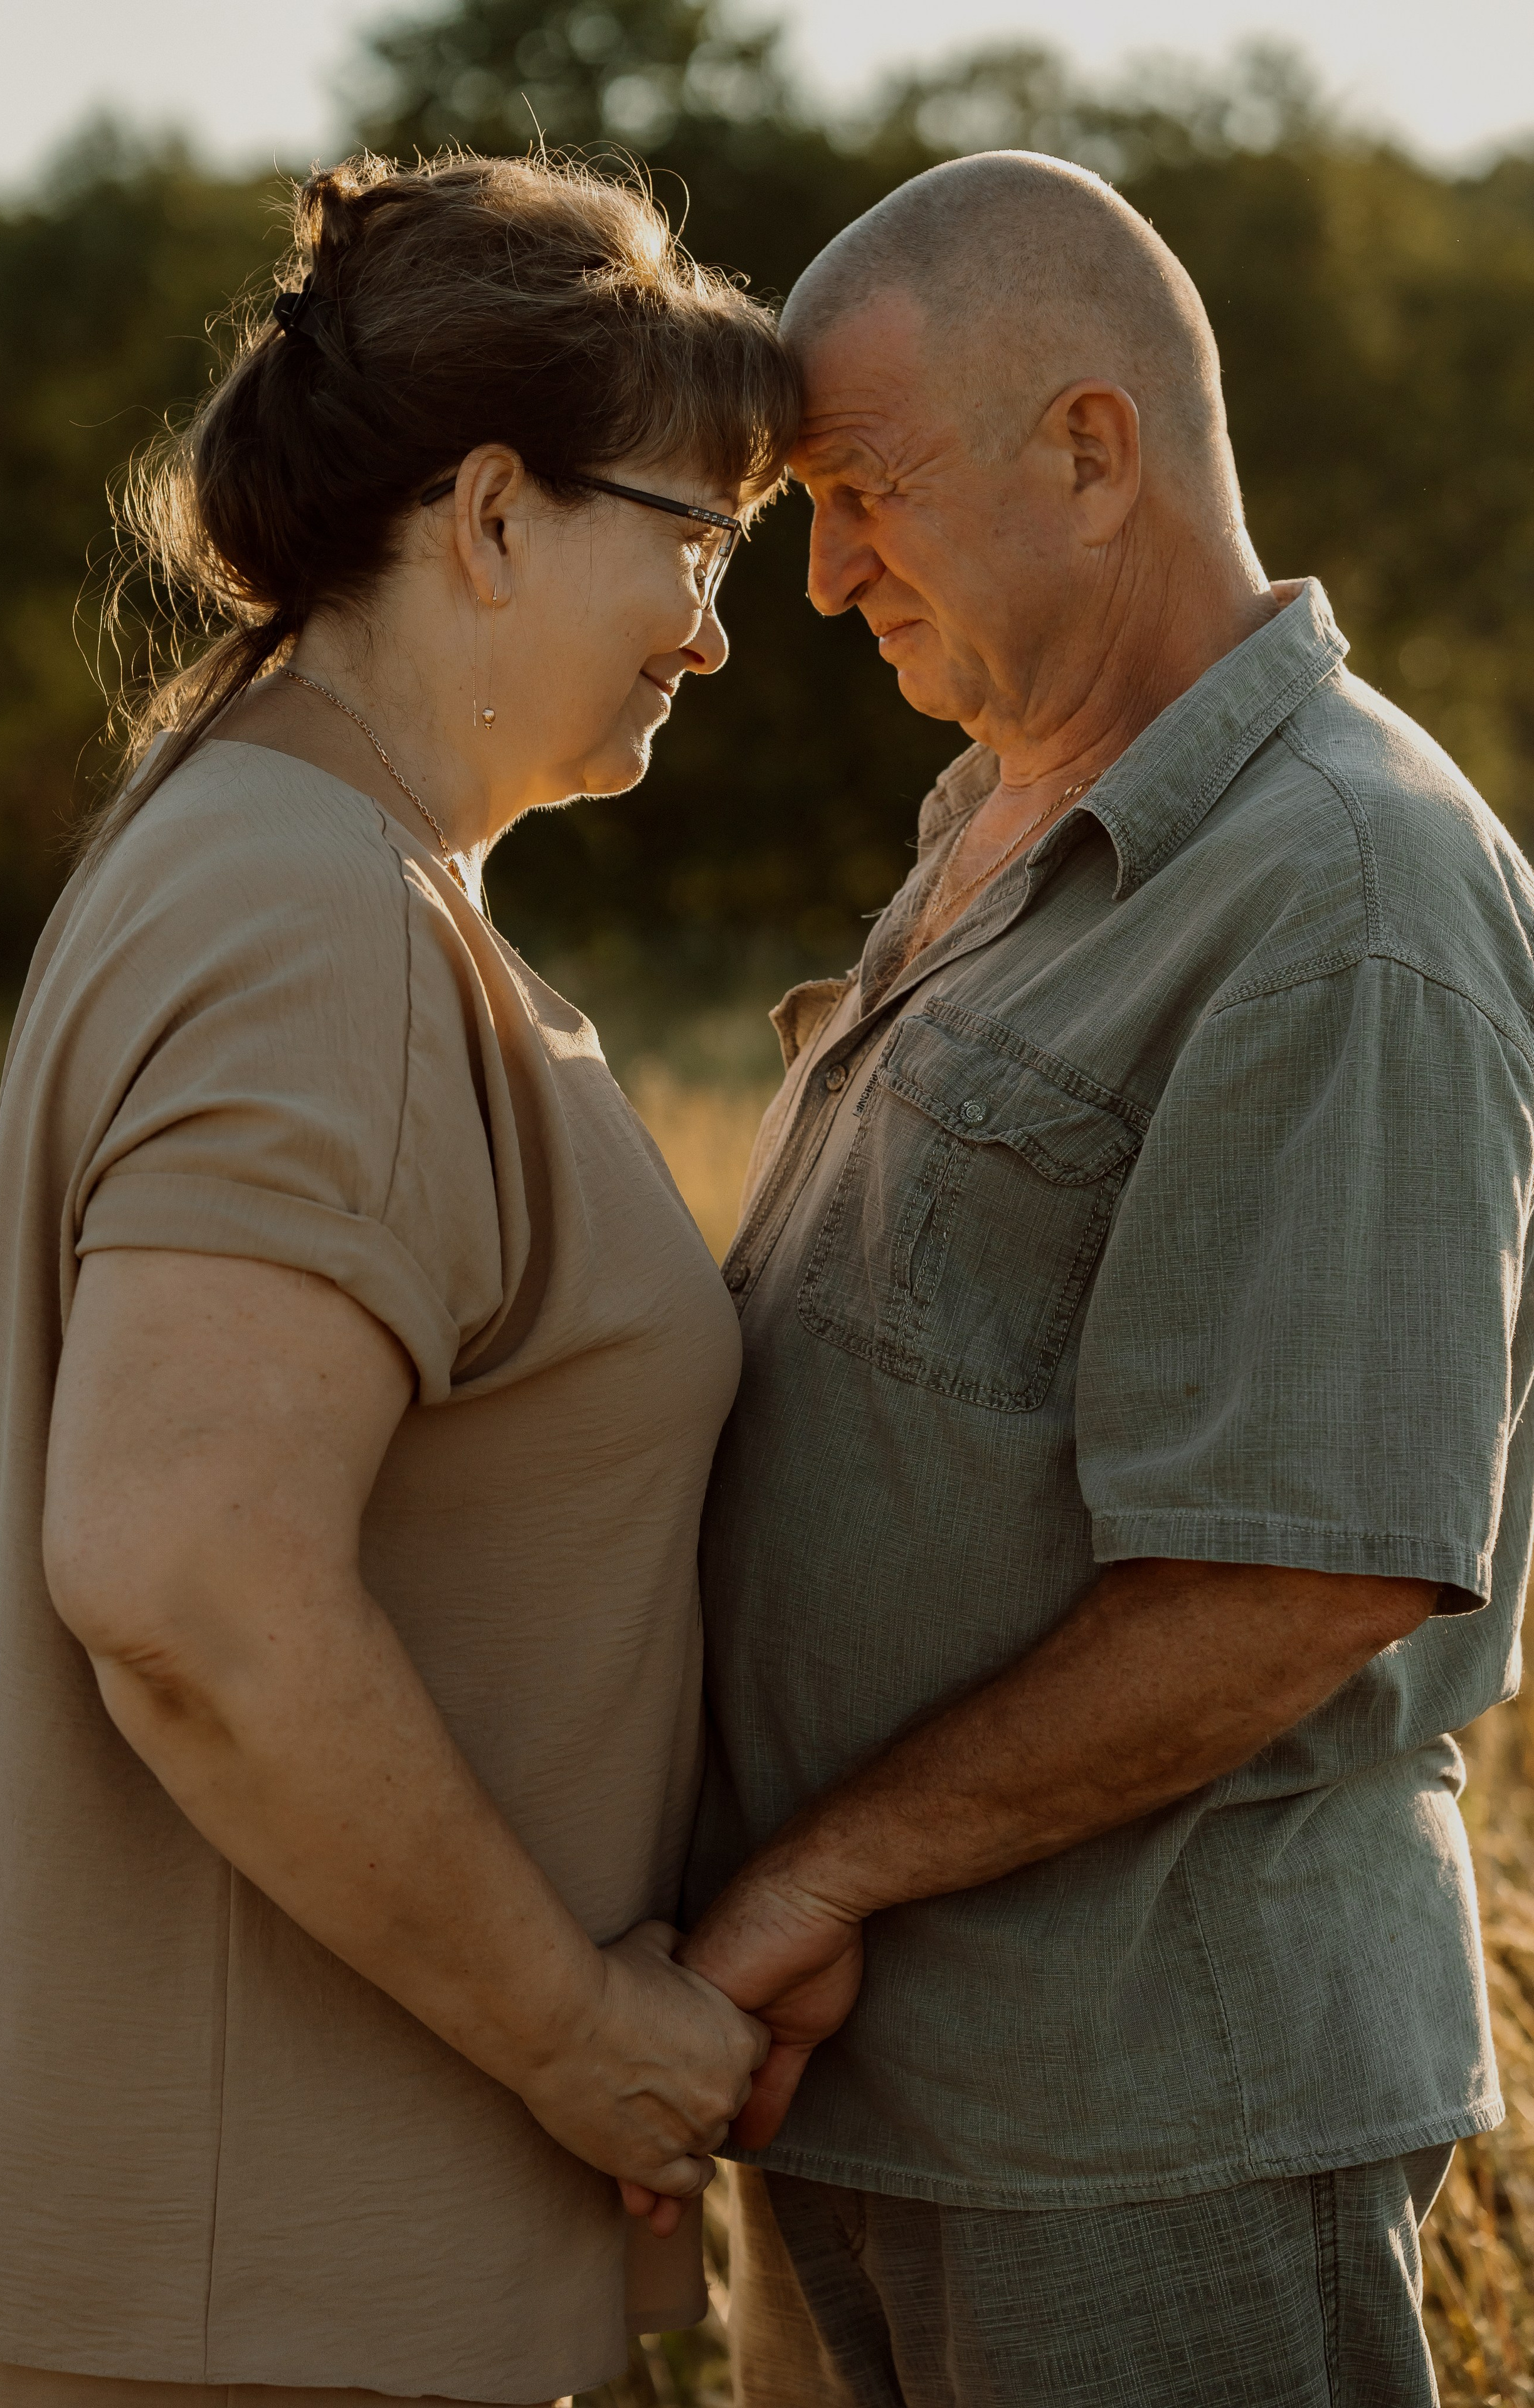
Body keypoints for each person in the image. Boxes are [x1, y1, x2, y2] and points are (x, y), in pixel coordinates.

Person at [0, 150, 798, 2408]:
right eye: (699, 541)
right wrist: (582, 2036)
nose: (718, 625)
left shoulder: (265, 843)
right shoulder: (313, 910)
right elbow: (189, 1580)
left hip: (293, 2283)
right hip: (281, 2304)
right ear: (493, 514)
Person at [680, 150, 1534, 2407]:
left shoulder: (1347, 888)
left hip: (1146, 2126)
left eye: (859, 493)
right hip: (866, 2091)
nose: (826, 574)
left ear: (1092, 445)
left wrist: (813, 1880)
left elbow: (1292, 1579)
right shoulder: (995, 815)